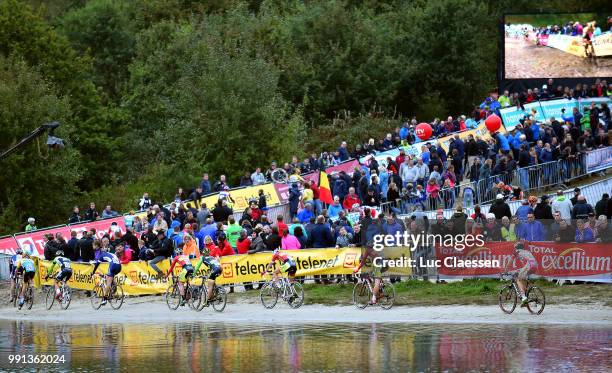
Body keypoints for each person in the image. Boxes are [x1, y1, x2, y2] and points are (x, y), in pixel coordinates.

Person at [507, 242, 537, 307]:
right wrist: (518, 271)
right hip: (535, 265)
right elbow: (524, 265)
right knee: (523, 280)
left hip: (529, 265)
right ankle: (526, 301)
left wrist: (505, 270)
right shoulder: (526, 252)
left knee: (518, 279)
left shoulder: (516, 252)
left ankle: (523, 297)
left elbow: (510, 262)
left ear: (516, 248)